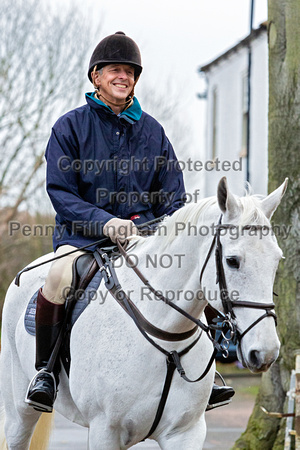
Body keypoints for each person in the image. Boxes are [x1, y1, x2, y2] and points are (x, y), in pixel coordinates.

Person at [25, 31, 233, 413]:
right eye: (115, 70)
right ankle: (46, 372)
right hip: (82, 238)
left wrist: (156, 227)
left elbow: (172, 196)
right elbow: (61, 192)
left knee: (193, 272)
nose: (124, 77)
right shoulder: (69, 128)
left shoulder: (153, 132)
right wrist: (105, 222)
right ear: (96, 76)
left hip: (144, 240)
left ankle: (206, 372)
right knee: (57, 279)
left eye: (130, 72)